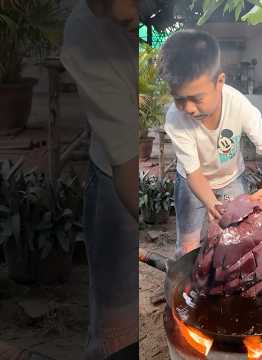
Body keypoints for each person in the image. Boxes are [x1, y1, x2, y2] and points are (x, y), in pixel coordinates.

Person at [161, 29, 262, 258]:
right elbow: (193, 172)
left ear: (219, 82)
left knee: (238, 238)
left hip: (230, 179)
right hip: (192, 182)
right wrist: (211, 203)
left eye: (196, 98)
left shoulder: (239, 105)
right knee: (188, 245)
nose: (188, 108)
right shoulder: (175, 118)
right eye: (179, 98)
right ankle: (190, 284)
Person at [61, 0, 139, 358]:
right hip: (115, 182)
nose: (126, 15)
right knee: (116, 336)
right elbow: (126, 170)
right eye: (106, 5)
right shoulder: (85, 36)